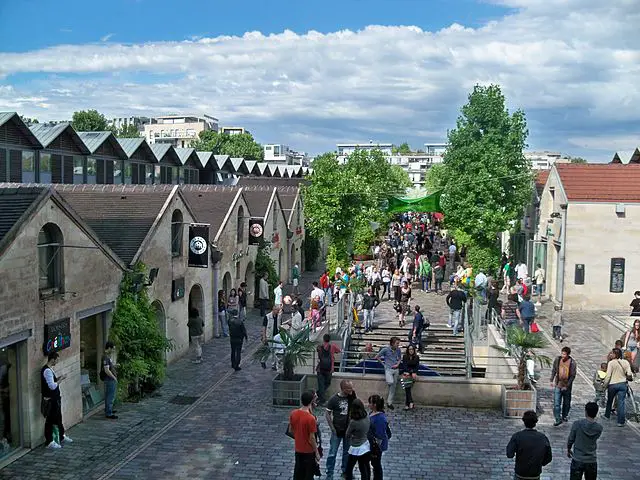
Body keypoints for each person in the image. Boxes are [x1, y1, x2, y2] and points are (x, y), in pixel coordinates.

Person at [506, 410, 552, 480]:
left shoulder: (517, 436)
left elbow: (509, 454)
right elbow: (549, 458)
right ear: (535, 422)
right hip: (535, 474)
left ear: (524, 421)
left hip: (521, 473)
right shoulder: (543, 438)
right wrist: (539, 463)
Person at [325, 380, 356, 480]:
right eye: (349, 388)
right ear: (343, 389)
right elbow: (327, 414)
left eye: (352, 387)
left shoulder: (352, 396)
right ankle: (329, 473)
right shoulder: (334, 399)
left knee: (347, 452)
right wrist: (332, 428)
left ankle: (345, 471)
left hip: (348, 430)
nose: (351, 390)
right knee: (332, 453)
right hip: (337, 430)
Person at [41, 352, 72, 449]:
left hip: (55, 399)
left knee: (58, 419)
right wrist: (61, 379)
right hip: (51, 400)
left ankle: (62, 436)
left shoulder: (50, 370)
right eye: (57, 360)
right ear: (53, 359)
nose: (57, 362)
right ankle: (49, 441)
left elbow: (52, 382)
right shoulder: (47, 371)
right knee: (50, 420)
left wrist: (58, 378)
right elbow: (52, 386)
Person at [289, 391, 320, 480]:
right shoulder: (311, 418)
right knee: (308, 475)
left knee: (298, 474)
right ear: (311, 401)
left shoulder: (293, 413)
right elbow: (312, 438)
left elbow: (291, 430)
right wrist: (317, 452)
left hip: (298, 449)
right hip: (308, 451)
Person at [567, 402, 603, 480]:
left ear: (586, 411)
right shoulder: (599, 428)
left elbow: (571, 439)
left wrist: (568, 449)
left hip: (578, 459)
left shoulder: (577, 424)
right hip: (591, 460)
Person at [603, 347, 633, 426]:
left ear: (615, 354)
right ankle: (621, 421)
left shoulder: (611, 363)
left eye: (612, 353)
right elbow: (629, 374)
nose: (611, 354)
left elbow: (608, 376)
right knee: (621, 403)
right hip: (622, 384)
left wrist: (605, 385)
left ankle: (607, 415)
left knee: (610, 401)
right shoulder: (626, 362)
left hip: (613, 384)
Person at [344, 399, 371, 480]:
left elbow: (347, 435)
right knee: (364, 467)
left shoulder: (354, 422)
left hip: (356, 446)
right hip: (365, 445)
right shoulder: (367, 416)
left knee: (349, 468)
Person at [551, 346, 577, 426]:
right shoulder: (558, 360)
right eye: (562, 353)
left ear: (568, 354)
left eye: (564, 354)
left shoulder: (572, 363)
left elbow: (572, 376)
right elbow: (554, 369)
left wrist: (567, 385)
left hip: (567, 386)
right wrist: (551, 379)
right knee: (556, 403)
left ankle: (564, 415)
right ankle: (557, 418)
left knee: (566, 403)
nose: (563, 356)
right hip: (558, 384)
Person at [374, 337, 402, 410]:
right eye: (397, 343)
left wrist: (398, 364)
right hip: (388, 369)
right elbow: (376, 357)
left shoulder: (398, 350)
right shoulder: (385, 350)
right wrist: (384, 365)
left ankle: (389, 403)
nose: (398, 345)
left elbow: (399, 358)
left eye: (398, 343)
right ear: (392, 343)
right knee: (390, 382)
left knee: (393, 388)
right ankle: (385, 400)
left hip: (396, 369)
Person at [367, 395, 388, 480]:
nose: (369, 405)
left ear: (375, 405)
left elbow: (380, 434)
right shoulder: (372, 413)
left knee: (376, 464)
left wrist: (375, 447)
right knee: (374, 464)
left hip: (376, 446)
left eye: (370, 403)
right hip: (371, 443)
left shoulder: (380, 418)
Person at [316, 334, 341, 405]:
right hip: (329, 369)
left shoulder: (319, 347)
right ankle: (320, 398)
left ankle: (316, 396)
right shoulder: (332, 346)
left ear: (323, 339)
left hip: (320, 368)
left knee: (321, 385)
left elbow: (318, 353)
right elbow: (339, 350)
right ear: (329, 340)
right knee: (327, 383)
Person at [101, 341, 118, 419]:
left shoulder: (107, 356)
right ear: (109, 348)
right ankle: (109, 413)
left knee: (110, 395)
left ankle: (109, 409)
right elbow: (106, 370)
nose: (113, 351)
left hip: (110, 379)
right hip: (109, 379)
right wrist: (114, 378)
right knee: (110, 396)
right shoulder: (105, 357)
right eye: (112, 349)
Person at [261, 305, 281, 370]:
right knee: (270, 350)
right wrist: (264, 337)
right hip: (269, 336)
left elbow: (280, 326)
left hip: (276, 336)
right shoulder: (267, 317)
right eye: (277, 310)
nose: (278, 312)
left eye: (278, 311)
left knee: (274, 350)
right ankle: (266, 362)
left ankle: (272, 364)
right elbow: (264, 327)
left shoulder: (279, 317)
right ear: (273, 310)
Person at [400, 345, 419, 410]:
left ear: (414, 350)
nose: (411, 350)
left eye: (412, 349)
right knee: (407, 387)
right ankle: (410, 402)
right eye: (410, 349)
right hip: (406, 373)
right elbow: (404, 366)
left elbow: (417, 367)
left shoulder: (416, 357)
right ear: (408, 350)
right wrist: (410, 372)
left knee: (407, 388)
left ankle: (407, 404)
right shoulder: (405, 356)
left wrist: (412, 372)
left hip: (412, 374)